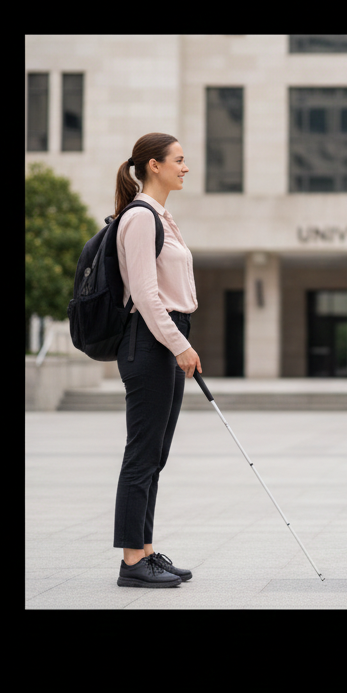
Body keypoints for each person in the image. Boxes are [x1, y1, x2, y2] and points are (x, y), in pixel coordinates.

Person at [112, 133, 201, 589]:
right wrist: (178, 345)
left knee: (156, 454)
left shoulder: (161, 216)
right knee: (142, 453)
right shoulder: (142, 217)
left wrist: (180, 340)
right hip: (150, 342)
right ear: (153, 165)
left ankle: (145, 550)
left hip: (165, 339)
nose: (185, 167)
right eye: (179, 160)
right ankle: (131, 562)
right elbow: (147, 296)